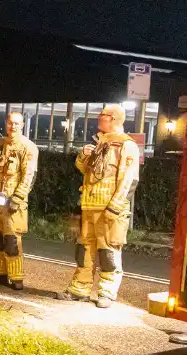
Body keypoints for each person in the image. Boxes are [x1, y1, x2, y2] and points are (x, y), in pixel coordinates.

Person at [56, 104, 140, 308]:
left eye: (102, 115)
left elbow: (129, 180)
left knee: (108, 251)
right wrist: (83, 155)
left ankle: (107, 292)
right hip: (90, 206)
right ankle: (79, 289)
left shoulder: (127, 146)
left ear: (113, 118)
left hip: (109, 210)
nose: (98, 118)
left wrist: (115, 207)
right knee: (84, 249)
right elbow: (83, 169)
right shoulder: (99, 142)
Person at [0, 111, 39, 290]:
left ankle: (16, 277)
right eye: (11, 123)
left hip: (13, 203)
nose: (13, 126)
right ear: (6, 124)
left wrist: (18, 198)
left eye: (17, 123)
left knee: (12, 241)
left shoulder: (28, 147)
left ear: (22, 125)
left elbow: (29, 176)